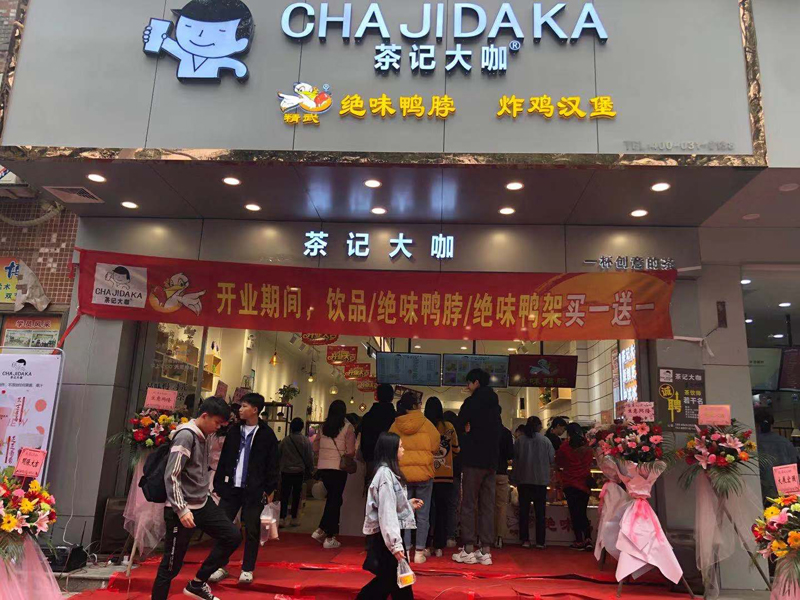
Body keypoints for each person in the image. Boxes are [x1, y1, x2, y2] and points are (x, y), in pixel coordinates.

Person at [152, 397, 241, 600]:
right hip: (182, 509)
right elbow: (171, 474)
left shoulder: (204, 435)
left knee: (232, 536)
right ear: (204, 416)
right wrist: (181, 509)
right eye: (216, 422)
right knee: (171, 565)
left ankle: (197, 583)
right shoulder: (186, 436)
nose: (218, 427)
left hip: (202, 502)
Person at [210, 393, 278, 585]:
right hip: (231, 487)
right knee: (223, 528)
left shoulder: (266, 434)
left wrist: (269, 488)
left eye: (244, 406)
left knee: (252, 530)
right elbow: (224, 459)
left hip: (254, 489)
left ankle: (247, 568)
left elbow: (273, 464)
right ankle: (219, 565)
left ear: (255, 410)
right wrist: (219, 484)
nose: (240, 410)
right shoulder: (234, 431)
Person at [357, 432, 423, 600]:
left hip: (387, 535)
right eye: (400, 446)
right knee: (392, 581)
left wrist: (407, 505)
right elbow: (387, 514)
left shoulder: (386, 474)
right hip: (387, 537)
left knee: (396, 581)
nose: (403, 449)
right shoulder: (386, 475)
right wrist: (395, 546)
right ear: (391, 450)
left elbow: (389, 508)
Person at [453, 369, 501, 566]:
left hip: (473, 460)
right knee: (487, 505)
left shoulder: (471, 403)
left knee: (469, 504)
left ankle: (468, 549)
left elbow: (458, 425)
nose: (467, 386)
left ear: (476, 382)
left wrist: (467, 435)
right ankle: (486, 551)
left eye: (469, 383)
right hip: (491, 462)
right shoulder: (495, 406)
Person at [389, 392, 439, 564]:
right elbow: (435, 446)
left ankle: (406, 550)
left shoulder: (395, 425)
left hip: (403, 475)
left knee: (405, 513)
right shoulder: (427, 424)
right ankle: (419, 552)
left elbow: (389, 447)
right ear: (416, 405)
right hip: (424, 474)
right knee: (423, 515)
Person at [312, 399, 356, 549]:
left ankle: (321, 529)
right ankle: (329, 536)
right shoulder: (348, 427)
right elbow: (351, 451)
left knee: (332, 499)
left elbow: (315, 447)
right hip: (338, 468)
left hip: (323, 467)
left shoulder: (323, 427)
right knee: (335, 501)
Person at [424, 397, 459, 557]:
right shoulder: (449, 427)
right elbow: (456, 449)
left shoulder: (424, 426)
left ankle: (425, 544)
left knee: (425, 511)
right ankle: (439, 546)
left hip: (427, 473)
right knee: (442, 510)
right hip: (445, 475)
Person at [514, 416, 554, 549]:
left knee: (524, 512)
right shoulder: (545, 441)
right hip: (541, 481)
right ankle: (540, 541)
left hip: (524, 480)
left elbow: (515, 460)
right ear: (539, 426)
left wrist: (514, 478)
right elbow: (552, 459)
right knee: (540, 513)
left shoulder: (520, 441)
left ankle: (525, 540)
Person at [556, 423, 594, 550]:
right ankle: (588, 539)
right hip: (584, 484)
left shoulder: (565, 447)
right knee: (582, 512)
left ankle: (579, 540)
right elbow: (590, 462)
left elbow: (559, 462)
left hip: (570, 484)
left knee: (574, 513)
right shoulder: (587, 447)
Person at [278, 417, 314, 527]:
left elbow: (279, 454)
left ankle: (282, 517)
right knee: (296, 495)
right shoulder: (305, 440)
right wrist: (311, 469)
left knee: (284, 495)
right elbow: (309, 457)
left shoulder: (285, 440)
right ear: (302, 427)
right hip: (299, 471)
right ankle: (294, 518)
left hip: (286, 471)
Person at [756, 411, 797, 501]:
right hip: (785, 485)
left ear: (757, 425)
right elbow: (794, 462)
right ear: (772, 425)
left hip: (762, 489)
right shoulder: (785, 441)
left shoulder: (754, 443)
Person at [360, 384, 397, 479]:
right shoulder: (396, 417)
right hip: (393, 460)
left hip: (371, 459)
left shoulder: (368, 417)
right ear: (392, 397)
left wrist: (366, 456)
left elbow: (363, 440)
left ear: (377, 396)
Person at [494, 407, 514, 549]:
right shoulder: (506, 433)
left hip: (487, 473)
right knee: (501, 506)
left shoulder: (485, 432)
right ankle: (499, 538)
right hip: (501, 473)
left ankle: (481, 537)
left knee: (484, 506)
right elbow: (510, 456)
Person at [443, 410, 461, 548]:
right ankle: (450, 536)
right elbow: (457, 451)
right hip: (455, 474)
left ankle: (436, 535)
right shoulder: (458, 435)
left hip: (438, 474)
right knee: (453, 506)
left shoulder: (437, 432)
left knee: (438, 505)